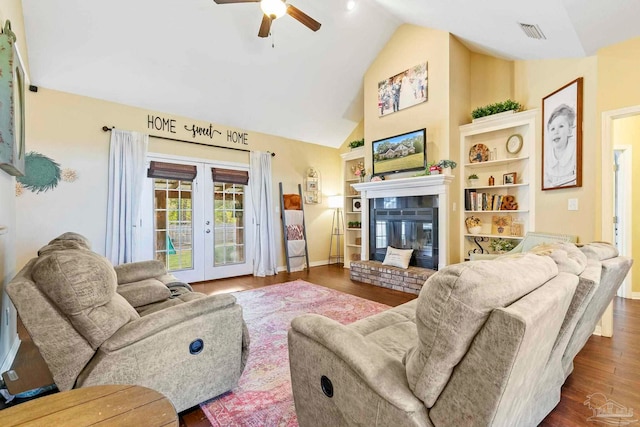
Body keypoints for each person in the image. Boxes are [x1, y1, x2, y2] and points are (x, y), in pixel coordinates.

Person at [544, 104, 577, 188]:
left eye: (561, 126)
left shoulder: (575, 150)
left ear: (569, 130)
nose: (556, 132)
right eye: (552, 129)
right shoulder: (547, 156)